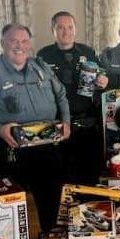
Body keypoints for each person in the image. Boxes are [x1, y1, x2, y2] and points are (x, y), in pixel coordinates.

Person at [0, 23, 70, 231]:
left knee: (52, 202)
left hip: (45, 145)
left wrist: (66, 121)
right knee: (2, 210)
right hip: (6, 149)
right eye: (13, 41)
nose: (19, 46)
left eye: (24, 41)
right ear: (2, 43)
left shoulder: (40, 67)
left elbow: (61, 94)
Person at [37, 11, 108, 185]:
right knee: (59, 177)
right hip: (57, 125)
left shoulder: (88, 52)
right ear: (53, 30)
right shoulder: (43, 55)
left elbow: (102, 73)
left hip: (86, 125)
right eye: (60, 27)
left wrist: (103, 80)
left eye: (70, 27)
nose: (66, 32)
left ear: (75, 29)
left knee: (88, 176)